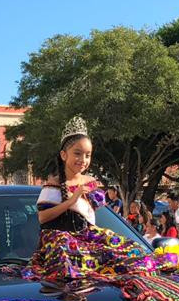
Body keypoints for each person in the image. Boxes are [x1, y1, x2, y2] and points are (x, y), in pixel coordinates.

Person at [30, 117, 162, 282]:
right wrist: (71, 201)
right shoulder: (53, 185)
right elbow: (43, 218)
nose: (83, 160)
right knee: (69, 257)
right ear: (64, 155)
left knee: (133, 252)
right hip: (61, 242)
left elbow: (90, 219)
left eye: (87, 155)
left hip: (88, 239)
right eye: (77, 154)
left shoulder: (90, 183)